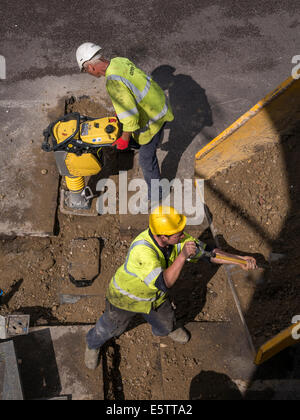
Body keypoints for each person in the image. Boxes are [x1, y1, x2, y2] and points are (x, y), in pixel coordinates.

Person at [84, 206, 258, 370]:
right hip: (125, 299)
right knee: (109, 328)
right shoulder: (142, 252)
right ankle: (92, 344)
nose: (183, 236)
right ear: (163, 236)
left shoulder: (173, 239)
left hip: (155, 300)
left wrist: (239, 259)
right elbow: (164, 283)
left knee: (166, 324)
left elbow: (209, 253)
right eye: (178, 234)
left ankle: (167, 330)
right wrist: (182, 257)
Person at [76, 42, 174, 202]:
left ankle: (156, 196)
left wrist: (125, 138)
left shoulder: (113, 82)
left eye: (86, 70)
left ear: (91, 68)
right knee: (129, 132)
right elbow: (131, 89)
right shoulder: (118, 61)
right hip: (159, 105)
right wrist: (120, 111)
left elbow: (130, 116)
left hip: (152, 119)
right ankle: (144, 143)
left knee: (146, 159)